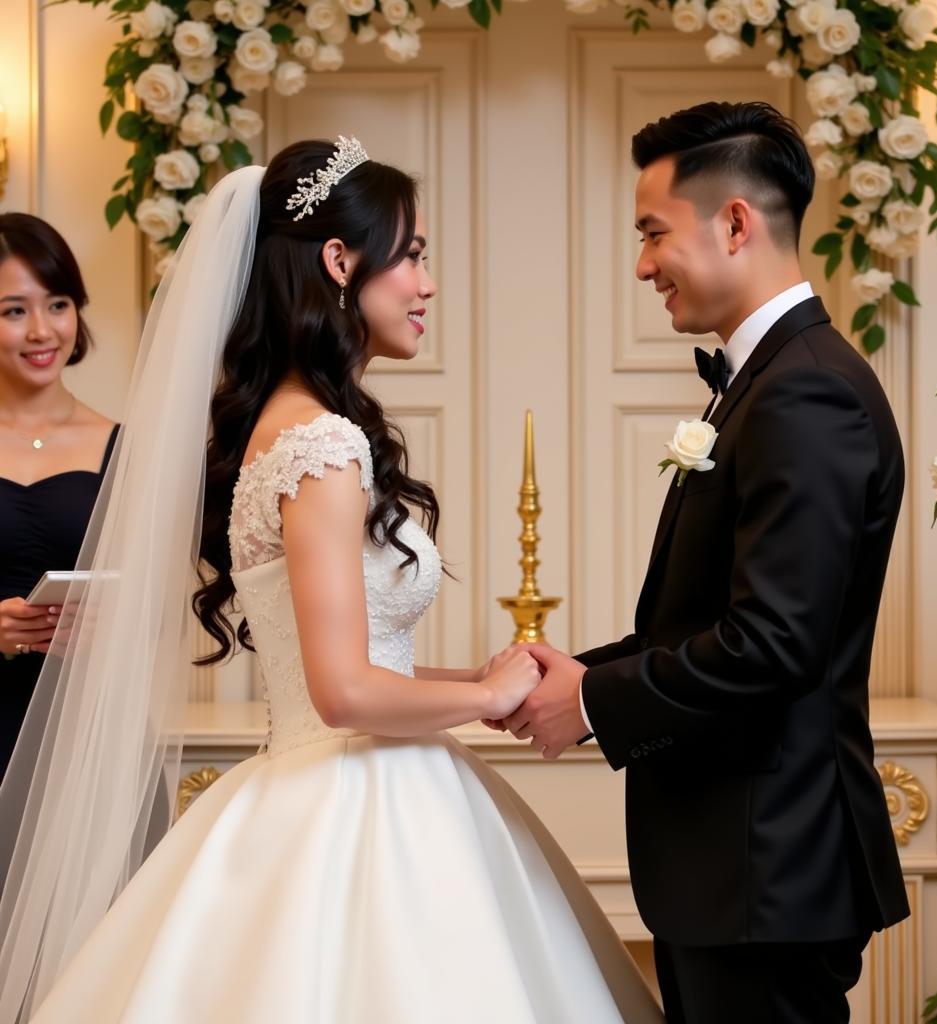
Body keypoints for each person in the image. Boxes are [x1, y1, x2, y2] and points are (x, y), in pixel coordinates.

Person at [0, 139, 663, 1023]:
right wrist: (482, 696)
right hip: (357, 803)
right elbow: (343, 692)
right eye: (414, 255)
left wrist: (476, 678)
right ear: (341, 262)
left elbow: (345, 661)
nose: (426, 285)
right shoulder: (321, 443)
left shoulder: (285, 424)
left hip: (321, 777)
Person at [501, 102, 911, 1023]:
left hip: (767, 871)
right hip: (739, 875)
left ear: (734, 223)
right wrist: (576, 673)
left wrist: (592, 702)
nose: (642, 265)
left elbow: (772, 643)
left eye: (653, 233)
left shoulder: (805, 391)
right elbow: (705, 627)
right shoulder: (768, 383)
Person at [0, 213, 119, 781]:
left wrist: (115, 623)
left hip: (86, 735)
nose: (43, 331)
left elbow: (161, 604)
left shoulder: (125, 449)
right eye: (14, 311)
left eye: (58, 304)